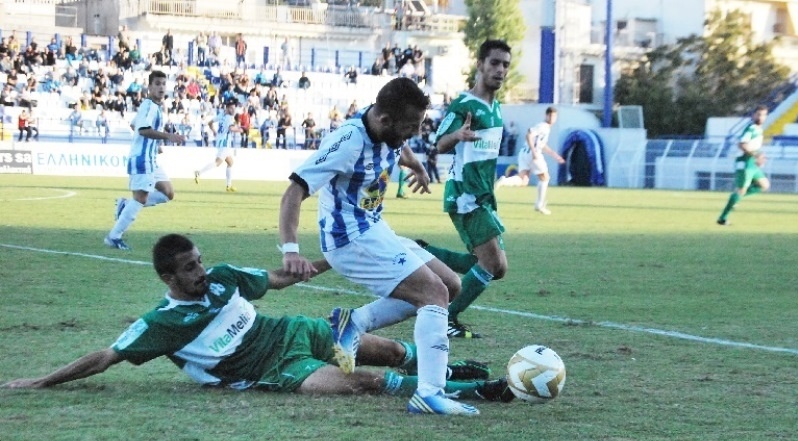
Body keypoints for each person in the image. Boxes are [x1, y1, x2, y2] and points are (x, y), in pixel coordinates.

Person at [2, 234, 512, 405]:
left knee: (393, 349)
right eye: (189, 268)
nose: (201, 272)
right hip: (273, 368)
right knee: (366, 383)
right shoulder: (161, 322)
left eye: (199, 261)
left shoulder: (224, 276)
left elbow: (283, 278)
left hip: (294, 331)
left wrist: (339, 253)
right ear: (168, 277)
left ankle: (463, 370)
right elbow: (105, 357)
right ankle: (473, 392)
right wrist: (41, 380)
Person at [277, 77, 482, 416]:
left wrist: (414, 163)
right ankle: (429, 393)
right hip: (350, 240)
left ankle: (351, 324)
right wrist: (291, 250)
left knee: (450, 285)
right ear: (385, 120)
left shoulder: (387, 131)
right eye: (409, 128)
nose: (413, 135)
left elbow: (396, 146)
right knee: (432, 293)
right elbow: (294, 191)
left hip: (375, 229)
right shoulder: (347, 142)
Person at [418, 39, 513, 339]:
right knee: (492, 262)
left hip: (484, 195)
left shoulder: (495, 107)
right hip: (465, 195)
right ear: (480, 64)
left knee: (498, 267)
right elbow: (439, 143)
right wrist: (457, 134)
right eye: (495, 63)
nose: (500, 70)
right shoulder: (464, 104)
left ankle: (424, 253)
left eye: (506, 65)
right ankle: (447, 316)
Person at [105, 71, 186, 251]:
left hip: (151, 159)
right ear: (149, 87)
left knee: (168, 193)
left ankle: (125, 206)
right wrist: (167, 136)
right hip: (142, 159)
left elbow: (135, 124)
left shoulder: (154, 107)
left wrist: (155, 144)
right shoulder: (149, 106)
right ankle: (114, 236)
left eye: (163, 84)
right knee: (140, 198)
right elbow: (142, 129)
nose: (161, 87)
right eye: (157, 83)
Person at [717, 105, 771, 226]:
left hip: (752, 162)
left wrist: (759, 155)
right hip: (745, 161)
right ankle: (722, 218)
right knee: (741, 190)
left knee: (764, 185)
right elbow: (742, 145)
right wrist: (756, 155)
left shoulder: (759, 129)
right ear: (753, 115)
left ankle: (736, 199)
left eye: (763, 115)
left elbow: (753, 146)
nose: (761, 117)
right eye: (758, 114)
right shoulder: (751, 128)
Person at [515, 108, 565, 210]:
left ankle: (504, 181)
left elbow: (542, 144)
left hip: (524, 153)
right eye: (550, 116)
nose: (552, 118)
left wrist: (554, 155)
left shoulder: (546, 128)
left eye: (554, 116)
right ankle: (539, 205)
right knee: (545, 178)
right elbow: (528, 134)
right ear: (546, 116)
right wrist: (534, 151)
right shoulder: (542, 126)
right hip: (533, 154)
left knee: (523, 181)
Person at [194, 99, 241, 192]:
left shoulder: (222, 115)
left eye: (234, 108)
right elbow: (231, 128)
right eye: (231, 108)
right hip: (224, 143)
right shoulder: (229, 118)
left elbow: (210, 122)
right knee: (217, 163)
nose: (233, 110)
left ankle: (228, 185)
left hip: (221, 142)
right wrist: (240, 130)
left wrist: (214, 132)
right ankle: (199, 172)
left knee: (230, 163)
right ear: (227, 108)